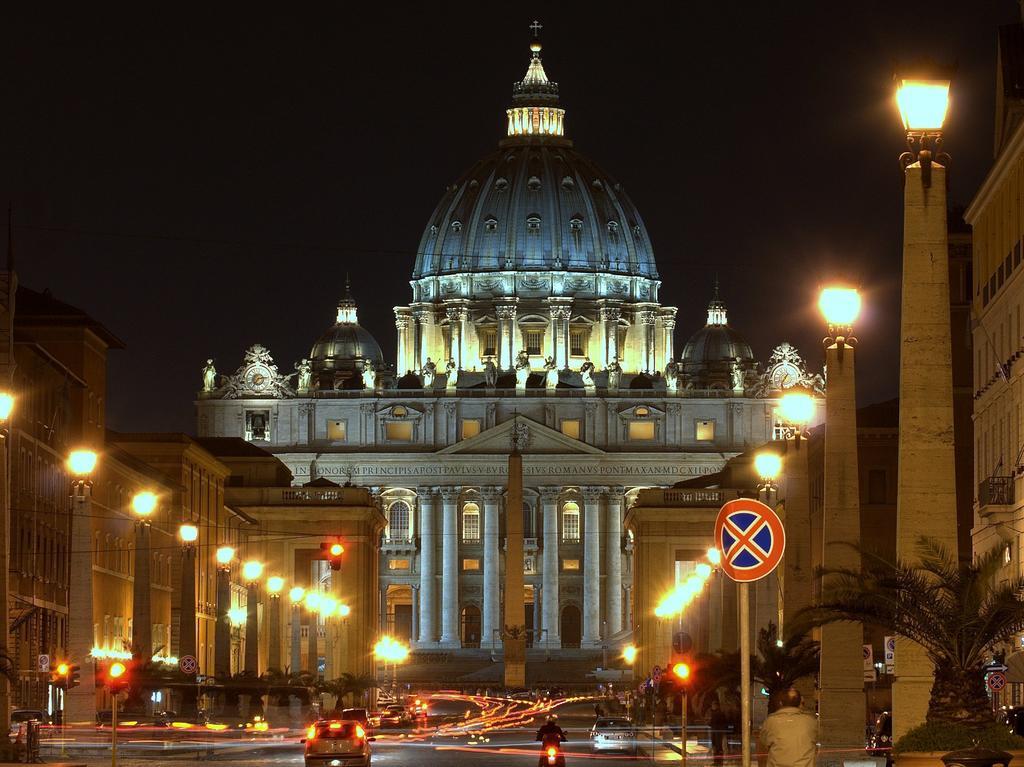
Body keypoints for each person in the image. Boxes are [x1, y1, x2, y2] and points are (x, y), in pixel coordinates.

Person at [759, 689, 817, 767]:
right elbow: (815, 739)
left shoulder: (771, 722)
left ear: (780, 703)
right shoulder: (810, 721)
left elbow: (764, 743)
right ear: (800, 704)